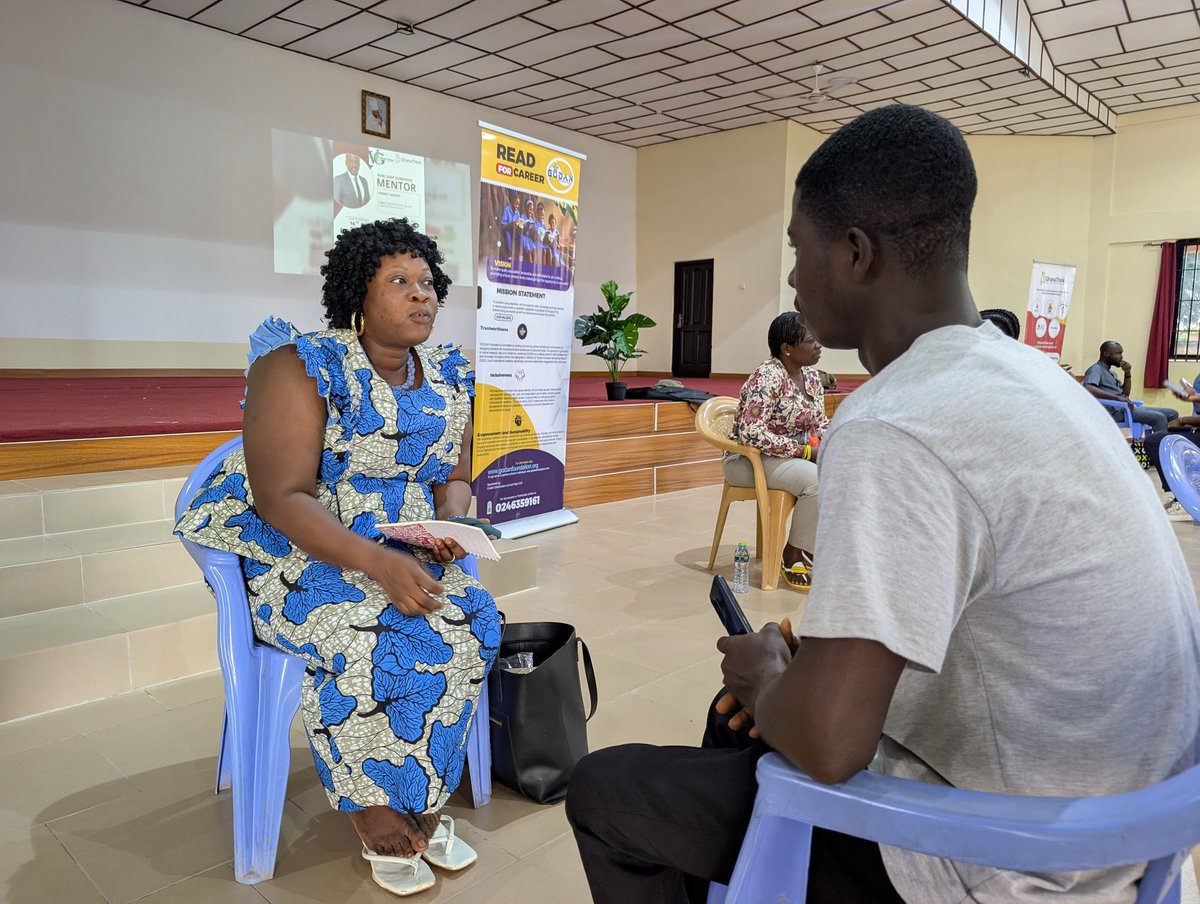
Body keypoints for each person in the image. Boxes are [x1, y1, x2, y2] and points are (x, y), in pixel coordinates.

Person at [566, 104, 1200, 904]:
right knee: (732, 725)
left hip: (1013, 860)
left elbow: (830, 746)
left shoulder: (897, 419)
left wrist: (770, 676)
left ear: (856, 255)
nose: (793, 279)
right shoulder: (1031, 375)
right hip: (1126, 823)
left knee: (610, 791)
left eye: (798, 250)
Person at [175, 219, 497, 897]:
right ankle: (373, 807)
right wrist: (374, 564)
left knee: (473, 620)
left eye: (429, 284)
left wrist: (453, 524)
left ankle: (420, 791)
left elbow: (454, 474)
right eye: (399, 282)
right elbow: (281, 495)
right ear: (358, 293)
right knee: (363, 629)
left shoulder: (449, 373)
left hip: (397, 544)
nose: (422, 297)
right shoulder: (300, 365)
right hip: (297, 548)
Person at [723, 311, 825, 589]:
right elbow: (751, 433)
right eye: (811, 340)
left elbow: (819, 425)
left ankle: (815, 547)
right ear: (787, 348)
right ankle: (794, 553)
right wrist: (804, 451)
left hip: (789, 456)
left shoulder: (812, 377)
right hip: (748, 459)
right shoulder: (766, 378)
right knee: (816, 482)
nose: (819, 345)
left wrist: (832, 446)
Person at [1083, 341, 1181, 432]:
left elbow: (1126, 394)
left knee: (1172, 413)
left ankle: (1169, 443)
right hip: (1116, 412)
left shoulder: (1112, 373)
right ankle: (1157, 447)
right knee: (1159, 418)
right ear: (1106, 354)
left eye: (1121, 353)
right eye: (1118, 353)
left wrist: (1127, 374)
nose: (1121, 357)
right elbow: (1088, 388)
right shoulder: (1096, 369)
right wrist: (1117, 398)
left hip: (1127, 408)